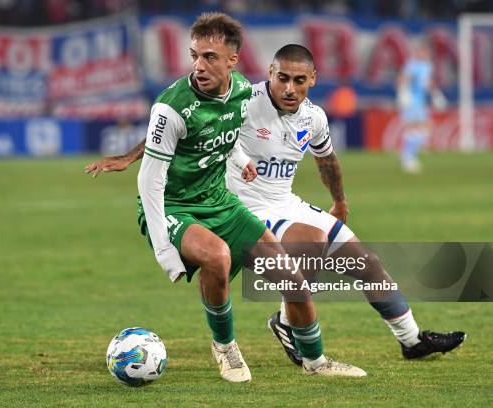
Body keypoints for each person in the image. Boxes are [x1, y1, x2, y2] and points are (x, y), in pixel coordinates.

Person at [86, 43, 466, 368]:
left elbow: (327, 160)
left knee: (365, 263)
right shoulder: (242, 99)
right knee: (312, 243)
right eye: (282, 77)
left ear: (312, 79)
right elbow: (176, 129)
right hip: (243, 204)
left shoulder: (314, 118)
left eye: (299, 80)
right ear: (270, 72)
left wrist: (339, 200)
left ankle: (411, 341)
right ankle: (289, 322)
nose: (289, 87)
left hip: (287, 202)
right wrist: (130, 155)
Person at [92, 13, 366, 382]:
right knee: (217, 257)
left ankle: (316, 363)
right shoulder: (171, 106)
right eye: (195, 56)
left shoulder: (240, 92)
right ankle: (225, 348)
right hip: (175, 206)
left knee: (291, 278)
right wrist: (164, 251)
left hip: (218, 200)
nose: (199, 66)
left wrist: (240, 159)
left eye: (209, 57)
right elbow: (150, 180)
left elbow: (226, 130)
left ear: (232, 61)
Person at [396, 42, 446, 173]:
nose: (425, 54)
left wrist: (436, 95)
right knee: (415, 128)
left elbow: (427, 83)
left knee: (423, 129)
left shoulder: (427, 66)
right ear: (419, 52)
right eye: (423, 52)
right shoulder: (412, 65)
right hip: (412, 102)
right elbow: (403, 79)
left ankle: (408, 155)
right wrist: (403, 93)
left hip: (420, 102)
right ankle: (408, 157)